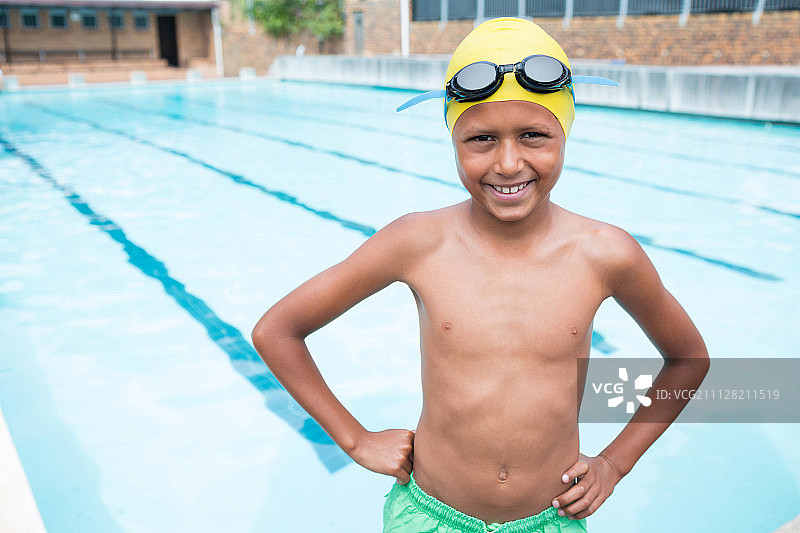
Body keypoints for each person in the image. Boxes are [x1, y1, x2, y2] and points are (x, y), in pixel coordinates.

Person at [251, 17, 709, 533]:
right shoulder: (417, 242)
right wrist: (356, 439)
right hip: (428, 515)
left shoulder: (605, 254)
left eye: (534, 136)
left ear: (565, 133)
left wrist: (615, 463)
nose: (509, 163)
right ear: (453, 141)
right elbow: (277, 330)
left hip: (550, 520)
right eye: (481, 139)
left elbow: (689, 360)